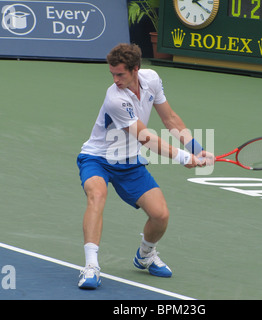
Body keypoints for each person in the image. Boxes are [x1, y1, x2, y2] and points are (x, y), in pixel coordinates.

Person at [76, 43, 214, 289]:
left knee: (160, 215)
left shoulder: (152, 79)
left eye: (121, 74)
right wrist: (183, 158)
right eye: (113, 74)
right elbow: (145, 138)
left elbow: (169, 118)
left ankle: (145, 255)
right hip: (97, 158)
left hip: (129, 162)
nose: (116, 79)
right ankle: (91, 266)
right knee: (97, 195)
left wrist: (196, 148)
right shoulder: (115, 99)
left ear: (135, 69)